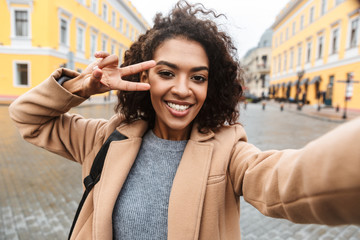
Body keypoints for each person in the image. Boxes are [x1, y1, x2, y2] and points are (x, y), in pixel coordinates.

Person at [9, 1, 360, 240]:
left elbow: (289, 183)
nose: (183, 90)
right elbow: (28, 117)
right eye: (167, 72)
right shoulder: (106, 137)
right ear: (145, 79)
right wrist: (82, 86)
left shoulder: (228, 152)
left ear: (212, 86)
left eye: (198, 77)